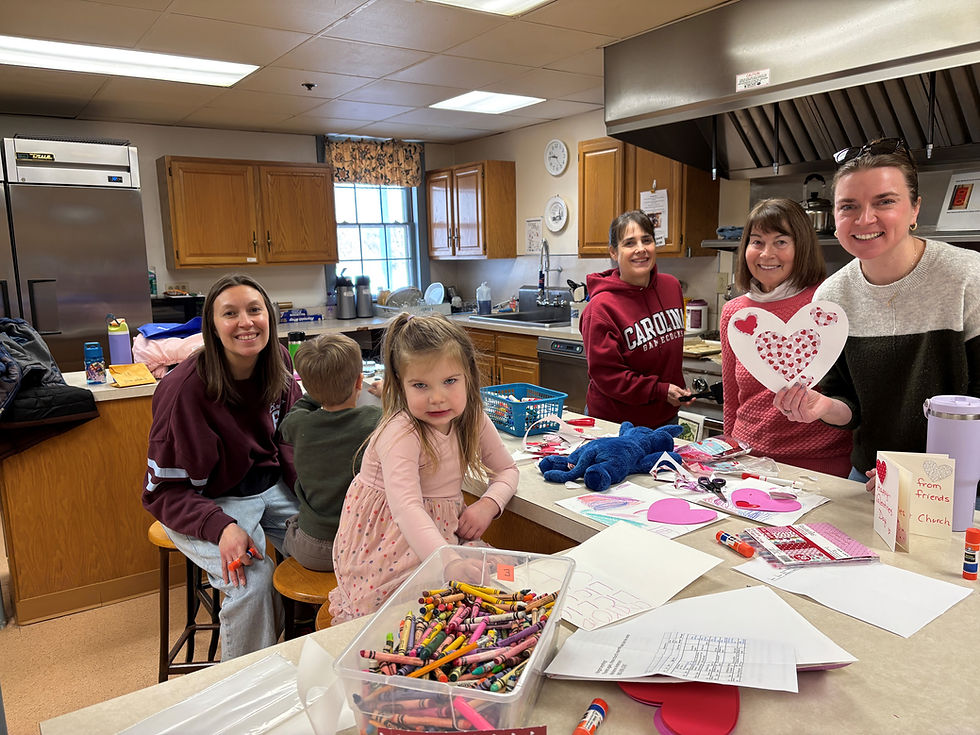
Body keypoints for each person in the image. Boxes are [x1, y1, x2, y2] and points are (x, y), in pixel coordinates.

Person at [775, 138, 980, 486]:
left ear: (915, 209)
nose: (865, 219)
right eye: (848, 206)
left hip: (963, 487)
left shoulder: (969, 277)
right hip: (870, 481)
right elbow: (850, 407)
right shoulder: (831, 297)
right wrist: (822, 406)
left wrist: (920, 478)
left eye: (885, 201)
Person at [143, 273, 301, 659]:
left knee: (331, 550)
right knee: (251, 580)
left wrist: (316, 499)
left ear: (270, 317)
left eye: (254, 310)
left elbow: (291, 439)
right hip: (201, 500)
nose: (245, 322)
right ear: (212, 327)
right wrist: (221, 526)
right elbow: (162, 490)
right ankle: (245, 693)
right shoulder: (183, 391)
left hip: (267, 486)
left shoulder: (278, 361)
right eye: (230, 313)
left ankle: (303, 660)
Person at [328, 313, 519, 623]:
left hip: (440, 537)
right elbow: (406, 509)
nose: (437, 398)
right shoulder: (401, 431)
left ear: (468, 376)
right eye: (420, 385)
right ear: (400, 387)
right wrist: (448, 561)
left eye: (450, 381)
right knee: (418, 621)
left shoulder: (472, 416)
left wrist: (487, 504)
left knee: (495, 585)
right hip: (389, 547)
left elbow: (508, 470)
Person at [720, 198, 852, 476]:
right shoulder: (735, 313)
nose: (766, 254)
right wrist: (728, 451)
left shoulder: (827, 305)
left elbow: (852, 395)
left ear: (801, 246)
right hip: (749, 461)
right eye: (757, 242)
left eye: (781, 242)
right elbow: (731, 398)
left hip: (820, 466)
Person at [581, 210, 691, 427]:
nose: (640, 249)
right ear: (614, 252)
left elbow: (669, 353)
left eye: (646, 240)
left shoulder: (671, 287)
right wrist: (660, 389)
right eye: (629, 243)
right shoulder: (600, 309)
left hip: (666, 418)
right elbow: (609, 377)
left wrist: (675, 388)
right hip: (616, 424)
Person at [281, 334, 381, 571]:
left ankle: (296, 606)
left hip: (311, 549)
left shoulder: (299, 424)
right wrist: (389, 392)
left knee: (290, 525)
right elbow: (404, 416)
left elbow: (292, 417)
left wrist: (317, 389)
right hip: (361, 547)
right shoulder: (374, 421)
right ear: (359, 382)